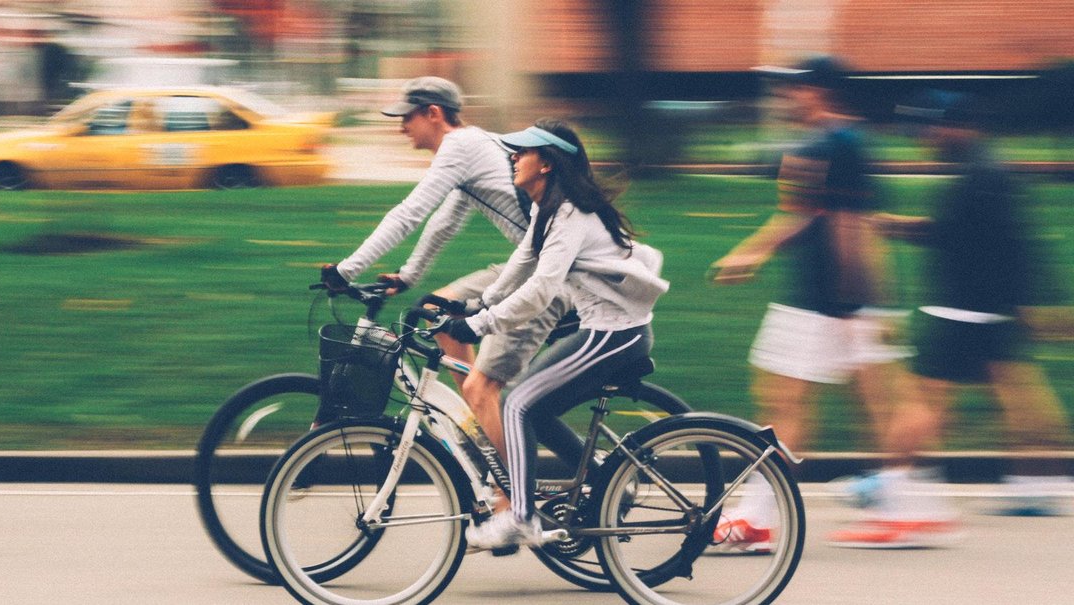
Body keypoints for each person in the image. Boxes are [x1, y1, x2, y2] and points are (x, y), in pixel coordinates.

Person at [709, 55, 933, 552]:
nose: (789, 97)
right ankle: (901, 510)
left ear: (821, 92)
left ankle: (763, 519)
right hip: (835, 301)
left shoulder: (833, 144)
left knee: (800, 403)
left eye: (796, 89)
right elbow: (806, 217)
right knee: (817, 404)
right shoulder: (842, 143)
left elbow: (849, 225)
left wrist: (856, 306)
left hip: (828, 303)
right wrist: (753, 254)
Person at [441, 119, 669, 549]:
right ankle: (603, 480)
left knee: (517, 404)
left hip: (614, 335)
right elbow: (521, 264)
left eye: (522, 152)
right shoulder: (549, 210)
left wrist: (478, 325)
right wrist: (478, 303)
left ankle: (522, 517)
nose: (512, 157)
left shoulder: (571, 214)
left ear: (546, 163)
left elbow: (541, 290)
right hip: (605, 331)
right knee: (536, 410)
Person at [319, 76, 571, 461]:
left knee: (482, 386)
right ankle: (482, 428)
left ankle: (511, 493)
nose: (401, 126)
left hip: (551, 275)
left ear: (433, 114)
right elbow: (445, 222)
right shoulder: (472, 147)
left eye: (407, 117)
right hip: (531, 263)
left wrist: (346, 270)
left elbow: (410, 213)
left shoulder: (460, 146)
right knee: (438, 309)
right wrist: (408, 275)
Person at [856, 90, 1074, 529]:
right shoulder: (985, 169)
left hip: (961, 309)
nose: (925, 138)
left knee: (922, 399)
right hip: (989, 308)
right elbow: (995, 240)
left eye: (930, 128)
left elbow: (978, 241)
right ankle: (1034, 487)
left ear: (958, 126)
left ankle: (893, 485)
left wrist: (893, 226)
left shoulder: (980, 176)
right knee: (1022, 395)